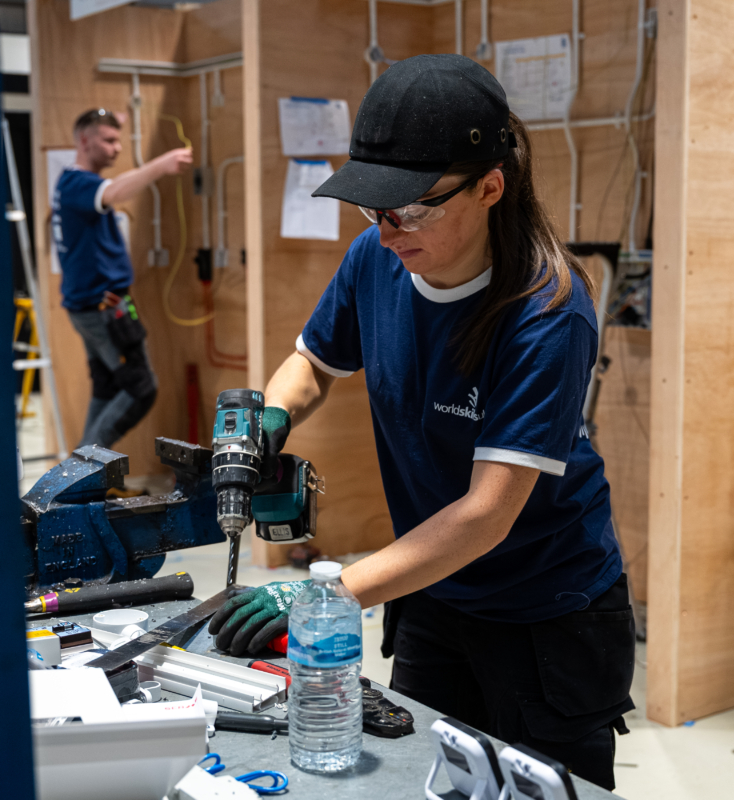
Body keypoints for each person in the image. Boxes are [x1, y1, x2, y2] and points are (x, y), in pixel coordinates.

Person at [209, 55, 635, 790]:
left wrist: (325, 593)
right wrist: (272, 418)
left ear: (490, 187)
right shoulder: (378, 259)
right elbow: (312, 362)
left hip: (545, 615)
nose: (386, 231)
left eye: (409, 209)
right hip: (435, 592)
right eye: (373, 210)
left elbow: (483, 516)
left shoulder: (547, 311)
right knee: (418, 778)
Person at [52, 108, 193, 449]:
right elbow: (113, 192)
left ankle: (79, 477)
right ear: (84, 141)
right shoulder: (78, 184)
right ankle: (80, 478)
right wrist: (161, 165)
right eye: (109, 140)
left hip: (93, 306)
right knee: (140, 389)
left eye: (118, 140)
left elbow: (106, 189)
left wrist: (114, 118)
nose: (117, 148)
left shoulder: (70, 183)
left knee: (109, 387)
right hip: (104, 309)